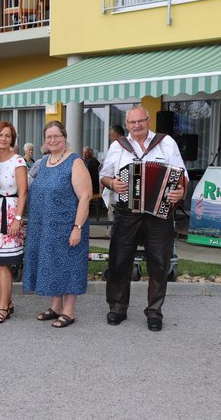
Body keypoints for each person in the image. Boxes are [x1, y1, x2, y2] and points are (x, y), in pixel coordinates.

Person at [100, 105, 187, 332]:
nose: (137, 125)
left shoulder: (166, 142)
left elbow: (181, 175)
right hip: (127, 211)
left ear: (149, 120)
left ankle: (154, 311)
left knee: (159, 262)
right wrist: (113, 183)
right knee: (120, 260)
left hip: (159, 212)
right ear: (127, 124)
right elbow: (104, 175)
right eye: (132, 122)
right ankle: (117, 307)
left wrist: (180, 191)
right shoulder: (118, 146)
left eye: (141, 121)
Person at [22, 121, 92, 328]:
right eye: (49, 136)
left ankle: (69, 311)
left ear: (64, 137)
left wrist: (77, 228)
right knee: (51, 264)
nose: (52, 140)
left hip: (67, 225)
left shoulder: (74, 162)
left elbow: (85, 197)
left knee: (69, 266)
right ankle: (55, 306)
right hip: (44, 226)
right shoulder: (43, 162)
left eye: (57, 136)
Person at [0, 122, 27, 324]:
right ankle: (6, 303)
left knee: (3, 264)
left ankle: (3, 306)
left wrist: (17, 218)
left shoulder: (17, 160)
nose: (3, 138)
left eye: (7, 136)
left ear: (12, 139)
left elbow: (23, 191)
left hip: (8, 212)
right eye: (0, 135)